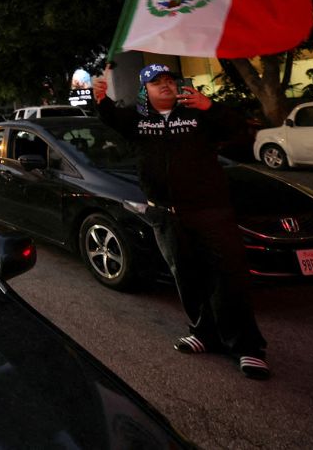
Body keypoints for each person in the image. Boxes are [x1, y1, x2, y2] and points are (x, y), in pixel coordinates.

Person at [93, 63, 269, 380]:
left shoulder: (198, 115)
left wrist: (210, 106)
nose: (164, 86)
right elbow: (111, 119)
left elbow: (239, 130)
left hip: (210, 211)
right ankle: (204, 334)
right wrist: (102, 98)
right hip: (166, 214)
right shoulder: (138, 120)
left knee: (227, 277)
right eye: (155, 82)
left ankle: (247, 348)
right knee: (186, 275)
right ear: (144, 90)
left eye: (168, 81)